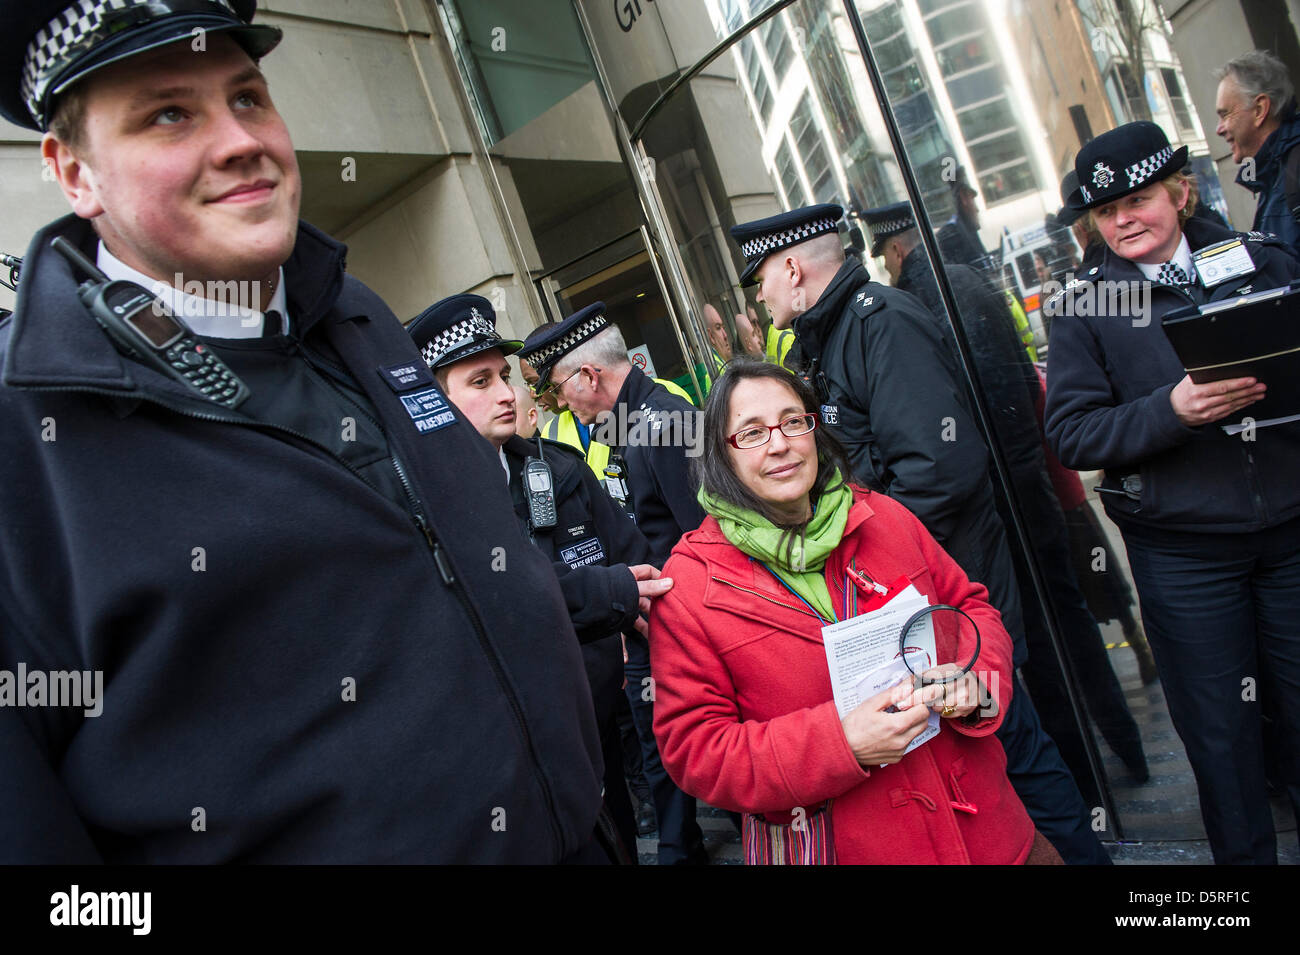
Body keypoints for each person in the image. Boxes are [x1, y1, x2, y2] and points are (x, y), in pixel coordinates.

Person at [0, 0, 608, 863]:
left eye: (248, 96)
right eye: (170, 113)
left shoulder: (356, 316)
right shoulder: (27, 435)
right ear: (73, 173)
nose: (239, 138)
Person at [729, 203, 1108, 864]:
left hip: (945, 604)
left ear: (792, 268)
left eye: (759, 277)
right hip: (910, 610)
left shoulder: (881, 325)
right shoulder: (832, 334)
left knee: (1018, 761)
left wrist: (854, 559)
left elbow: (942, 467)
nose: (759, 296)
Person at [649, 358, 1052, 864]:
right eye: (750, 433)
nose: (779, 444)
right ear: (721, 456)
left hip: (992, 837)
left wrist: (977, 686)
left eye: (793, 421)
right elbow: (698, 752)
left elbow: (973, 609)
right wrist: (841, 744)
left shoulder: (883, 516)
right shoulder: (690, 586)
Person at [1045, 120, 1300, 864]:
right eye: (1105, 211)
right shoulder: (1081, 307)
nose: (1123, 219)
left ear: (1180, 192)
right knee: (1222, 743)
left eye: (1139, 199)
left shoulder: (1264, 262)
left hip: (1289, 536)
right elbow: (1073, 433)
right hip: (1184, 557)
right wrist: (1171, 411)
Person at [868, 202, 1149, 792]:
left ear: (894, 251)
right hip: (1033, 485)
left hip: (996, 503)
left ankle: (1083, 779)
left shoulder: (919, 302)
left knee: (1030, 648)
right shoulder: (971, 281)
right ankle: (1123, 746)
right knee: (1068, 622)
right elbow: (1024, 383)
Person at [408, 292, 672, 859]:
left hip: (596, 725)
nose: (507, 393)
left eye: (504, 376)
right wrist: (606, 595)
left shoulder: (561, 470)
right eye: (479, 382)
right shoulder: (423, 506)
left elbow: (637, 564)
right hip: (509, 757)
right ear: (434, 398)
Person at [519, 303, 708, 864]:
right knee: (660, 744)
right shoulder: (633, 421)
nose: (559, 404)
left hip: (682, 616)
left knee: (671, 742)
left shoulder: (666, 419)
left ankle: (682, 849)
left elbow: (706, 534)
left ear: (589, 376)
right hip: (654, 615)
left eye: (557, 388)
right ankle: (681, 847)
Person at [1215, 50, 1300, 251]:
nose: (1219, 129)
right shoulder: (1275, 174)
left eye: (1225, 114)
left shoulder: (1293, 171)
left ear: (1260, 110)